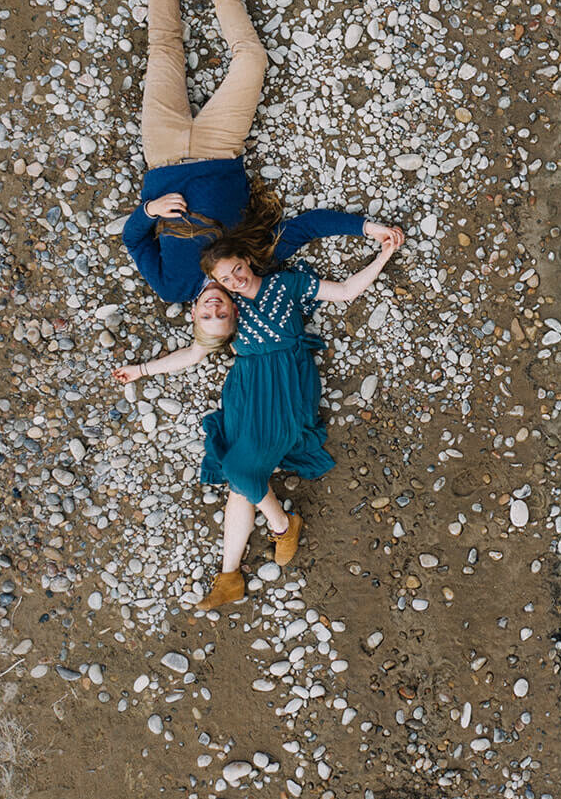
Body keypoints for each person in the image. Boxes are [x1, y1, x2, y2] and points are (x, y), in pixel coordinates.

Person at [103, 0, 401, 302]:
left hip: (161, 152)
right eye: (223, 316)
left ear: (194, 317)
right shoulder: (255, 264)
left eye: (206, 316)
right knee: (252, 60)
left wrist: (151, 210)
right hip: (219, 147)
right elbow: (307, 227)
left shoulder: (172, 288)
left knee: (163, 51)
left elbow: (134, 238)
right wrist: (367, 228)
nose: (214, 309)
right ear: (236, 313)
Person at [112, 227, 404, 612]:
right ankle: (232, 573)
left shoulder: (286, 285)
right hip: (244, 391)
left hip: (285, 385)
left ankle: (282, 526)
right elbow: (194, 352)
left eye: (236, 269)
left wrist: (383, 256)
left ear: (245, 260)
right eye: (224, 279)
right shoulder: (226, 310)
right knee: (240, 481)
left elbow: (346, 291)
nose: (234, 281)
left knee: (239, 470)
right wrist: (143, 370)